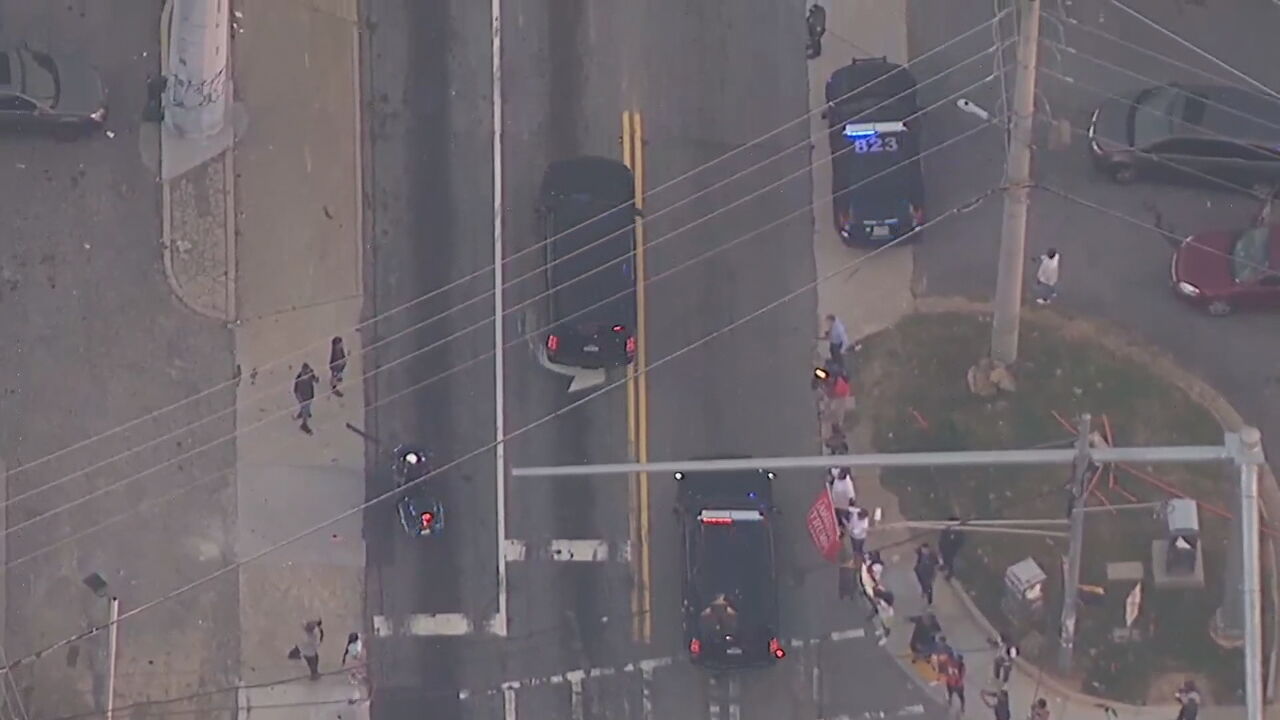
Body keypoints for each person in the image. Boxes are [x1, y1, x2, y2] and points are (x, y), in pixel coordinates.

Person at [293, 363, 319, 435]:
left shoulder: (310, 374)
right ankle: (304, 424)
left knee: (306, 408)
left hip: (309, 395)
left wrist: (316, 379)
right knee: (306, 409)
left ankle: (301, 413)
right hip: (303, 397)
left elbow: (315, 380)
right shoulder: (298, 379)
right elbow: (296, 391)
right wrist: (300, 399)